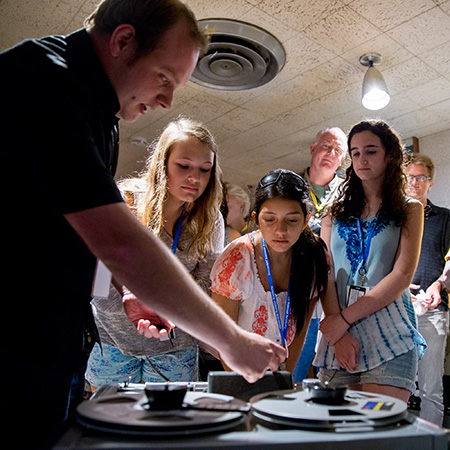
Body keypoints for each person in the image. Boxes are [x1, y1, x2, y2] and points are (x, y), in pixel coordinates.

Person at [0, 1, 285, 447]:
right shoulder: (45, 80)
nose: (167, 100)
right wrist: (231, 340)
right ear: (123, 41)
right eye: (164, 78)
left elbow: (83, 240)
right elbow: (120, 243)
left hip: (47, 347)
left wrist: (131, 291)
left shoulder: (104, 120)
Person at [86, 117, 225, 388]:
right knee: (111, 421)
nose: (195, 178)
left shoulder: (210, 219)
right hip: (113, 338)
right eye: (183, 166)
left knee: (168, 424)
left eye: (205, 169)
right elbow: (99, 284)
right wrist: (141, 294)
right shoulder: (126, 201)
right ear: (163, 162)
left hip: (175, 344)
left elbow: (206, 284)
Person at [314, 119, 426, 402]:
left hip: (389, 333)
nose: (362, 159)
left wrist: (341, 320)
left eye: (371, 151)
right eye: (355, 153)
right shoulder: (334, 211)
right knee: (336, 436)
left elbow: (402, 276)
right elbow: (324, 270)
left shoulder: (410, 208)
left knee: (378, 435)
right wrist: (337, 330)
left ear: (390, 155)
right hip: (338, 333)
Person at [210, 169, 329, 374]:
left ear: (306, 220)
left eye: (291, 220)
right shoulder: (237, 259)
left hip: (279, 370)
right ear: (256, 219)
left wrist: (284, 382)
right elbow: (225, 339)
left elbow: (299, 333)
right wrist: (248, 386)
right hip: (237, 368)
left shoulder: (314, 257)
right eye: (270, 219)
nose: (280, 231)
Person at [294, 127, 348, 381]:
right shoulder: (290, 186)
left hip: (335, 291)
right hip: (296, 288)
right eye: (326, 146)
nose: (331, 153)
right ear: (313, 147)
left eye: (338, 151)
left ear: (342, 160)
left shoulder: (350, 194)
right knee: (293, 368)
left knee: (332, 376)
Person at [403, 153, 450, 426]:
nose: (415, 183)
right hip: (398, 310)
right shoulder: (396, 219)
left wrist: (439, 284)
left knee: (431, 388)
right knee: (397, 384)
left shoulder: (445, 218)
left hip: (433, 312)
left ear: (430, 183)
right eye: (410, 177)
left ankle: (429, 440)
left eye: (421, 177)